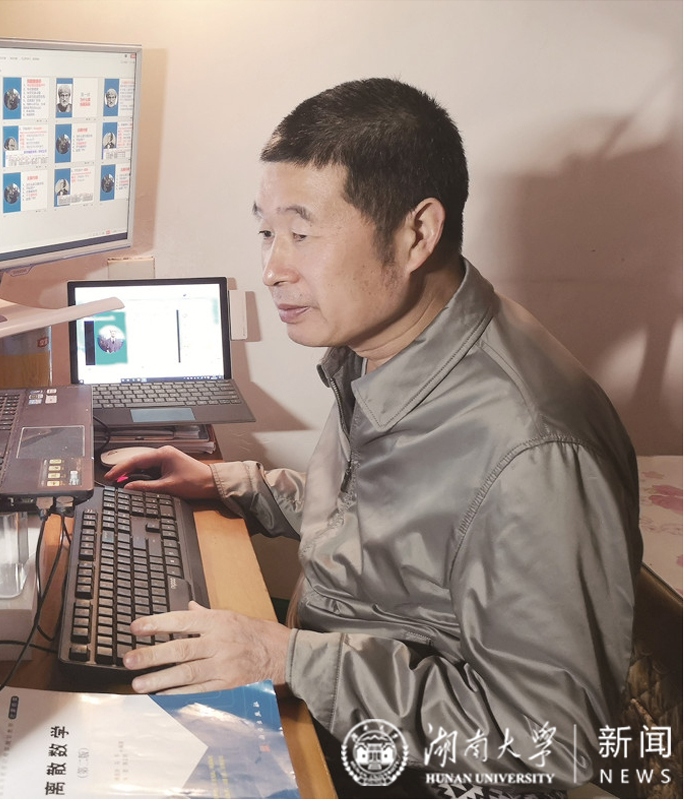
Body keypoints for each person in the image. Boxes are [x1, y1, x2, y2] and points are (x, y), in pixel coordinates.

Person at [105, 78, 640, 795]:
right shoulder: (386, 342)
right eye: (267, 232)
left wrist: (286, 659)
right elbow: (398, 525)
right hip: (333, 697)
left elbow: (553, 748)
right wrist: (238, 486)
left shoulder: (534, 452)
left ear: (417, 233)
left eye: (302, 233)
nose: (272, 269)